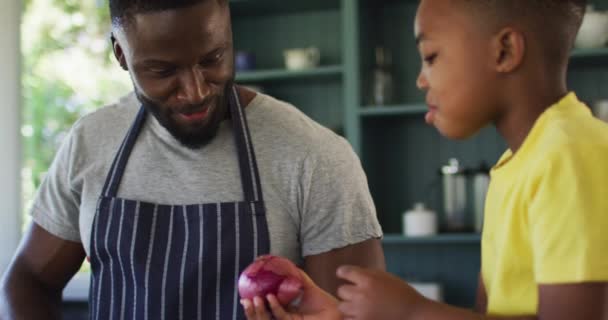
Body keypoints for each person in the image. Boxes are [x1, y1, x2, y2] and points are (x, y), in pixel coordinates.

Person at [0, 0, 386, 319]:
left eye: (212, 58)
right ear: (121, 54)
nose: (196, 91)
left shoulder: (314, 156)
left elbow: (363, 315)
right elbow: (29, 278)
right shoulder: (90, 142)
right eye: (163, 70)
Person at [241, 0, 608, 319]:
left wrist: (414, 312)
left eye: (431, 57)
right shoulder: (518, 163)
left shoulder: (570, 155)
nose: (420, 80)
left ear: (505, 50)